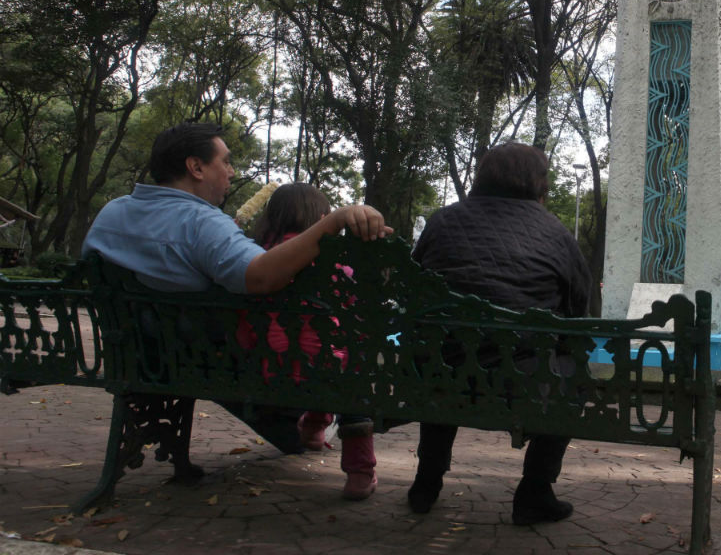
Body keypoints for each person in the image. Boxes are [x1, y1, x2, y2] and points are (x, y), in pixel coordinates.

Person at [81, 122, 391, 455]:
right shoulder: (202, 222)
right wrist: (332, 222)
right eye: (225, 161)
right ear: (196, 167)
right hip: (199, 365)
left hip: (135, 358)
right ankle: (309, 424)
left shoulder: (111, 212)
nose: (231, 171)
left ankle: (299, 429)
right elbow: (261, 277)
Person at [407, 142, 591, 526]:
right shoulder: (557, 235)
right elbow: (578, 318)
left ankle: (426, 483)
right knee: (573, 374)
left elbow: (412, 295)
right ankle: (535, 490)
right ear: (538, 184)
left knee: (446, 354)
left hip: (437, 373)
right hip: (521, 382)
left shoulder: (441, 223)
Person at [246, 182, 377, 501]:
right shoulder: (334, 264)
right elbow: (354, 314)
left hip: (270, 362)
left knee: (316, 358)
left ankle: (315, 427)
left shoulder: (258, 256)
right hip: (328, 364)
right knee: (349, 368)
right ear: (321, 219)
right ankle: (359, 473)